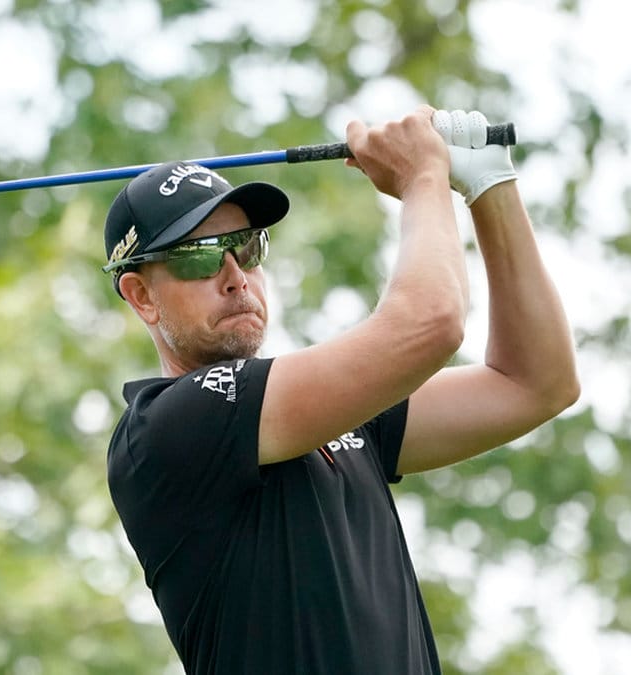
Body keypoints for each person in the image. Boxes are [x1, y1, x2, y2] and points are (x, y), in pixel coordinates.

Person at [99, 106, 580, 674]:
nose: (235, 277)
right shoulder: (165, 428)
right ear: (142, 296)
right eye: (200, 258)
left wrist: (490, 186)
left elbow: (537, 382)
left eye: (247, 248)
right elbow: (430, 325)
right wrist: (423, 178)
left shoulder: (331, 416)